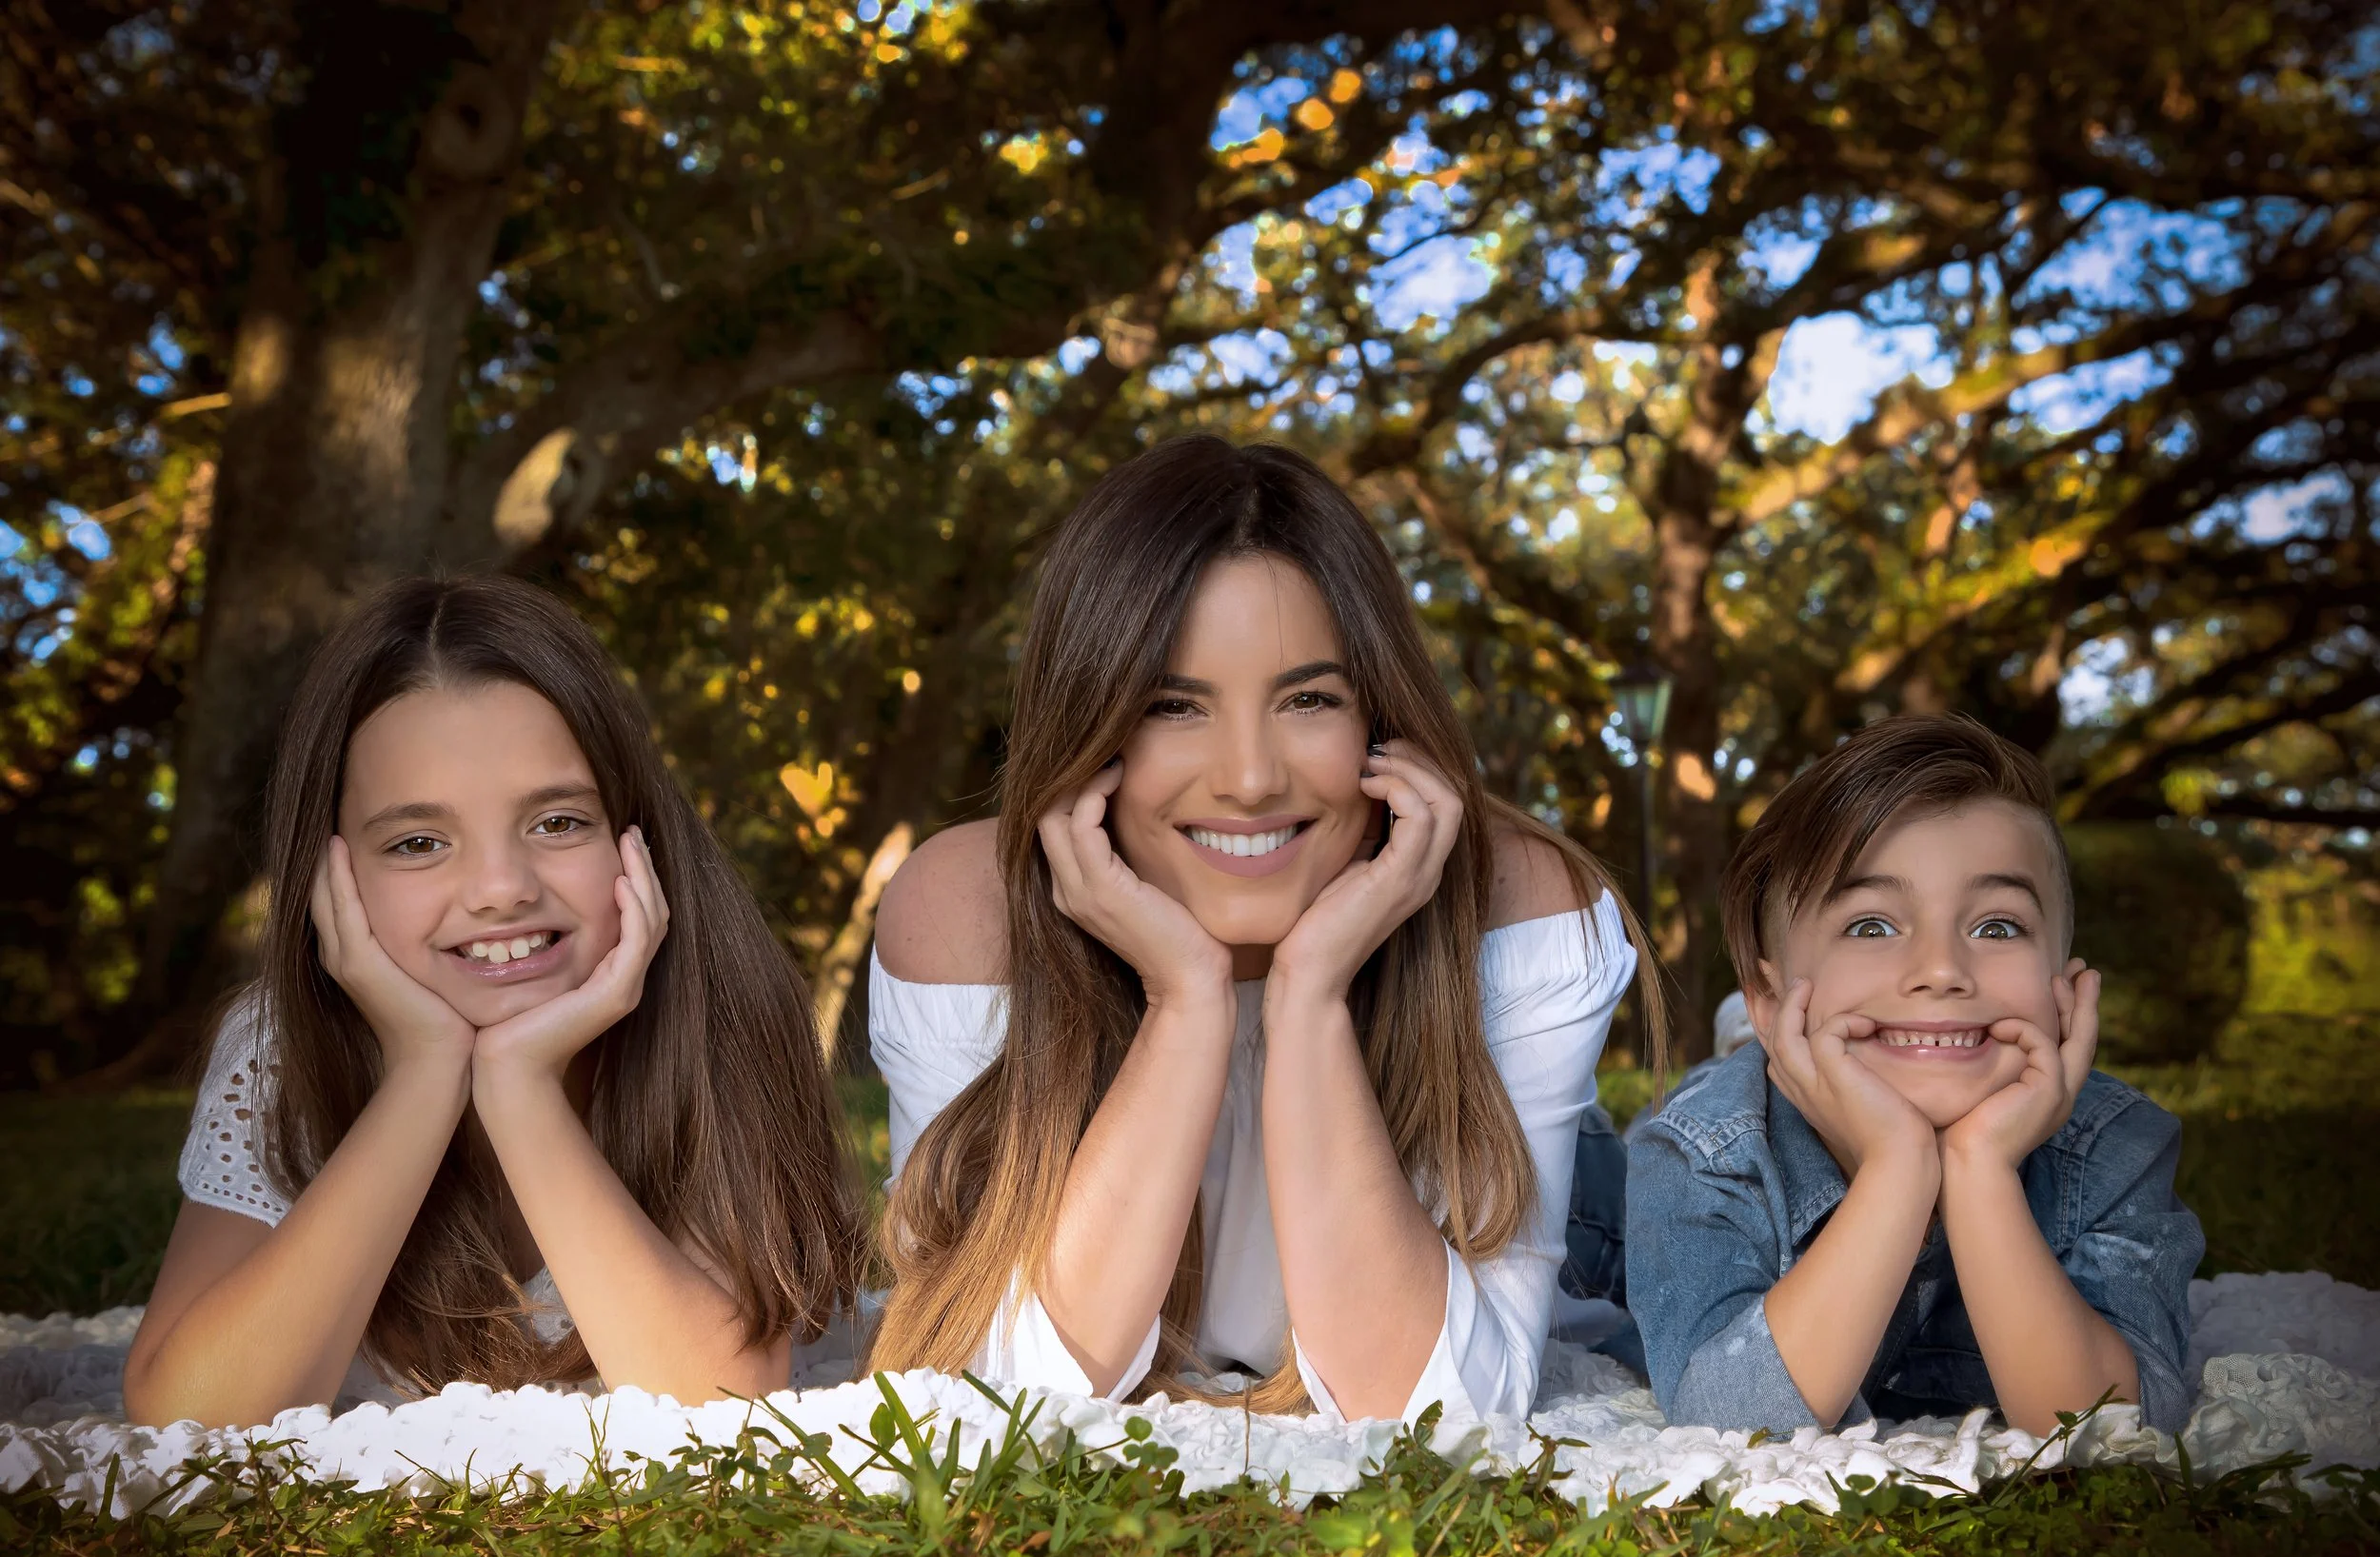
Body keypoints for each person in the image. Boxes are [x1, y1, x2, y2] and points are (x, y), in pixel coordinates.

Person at [864, 436, 1666, 1422]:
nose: (1249, 777)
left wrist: (1311, 990)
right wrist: (1186, 1001)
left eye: (1307, 699)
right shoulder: (964, 906)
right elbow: (983, 1394)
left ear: (1379, 721)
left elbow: (1441, 1410)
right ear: (1091, 725)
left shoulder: (1521, 902)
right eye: (1172, 705)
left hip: (1591, 1231)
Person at [125, 577, 862, 1428]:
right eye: (419, 842)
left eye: (557, 823)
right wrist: (422, 1073)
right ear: (333, 874)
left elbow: (725, 1405)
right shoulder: (281, 1044)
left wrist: (520, 1088)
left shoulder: (710, 1011)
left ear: (637, 835)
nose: (501, 889)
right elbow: (188, 1414)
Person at [1625, 715, 2201, 1436]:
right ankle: (1747, 1042)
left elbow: (2113, 1425)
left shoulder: (2114, 1141)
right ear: (1771, 997)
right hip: (1719, 1106)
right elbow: (1728, 1423)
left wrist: (1978, 1165)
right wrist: (1898, 1165)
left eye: (1997, 927)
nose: (1940, 970)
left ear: (2065, 981)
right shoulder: (1704, 1151)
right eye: (1871, 925)